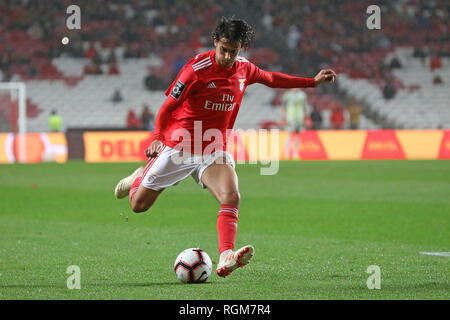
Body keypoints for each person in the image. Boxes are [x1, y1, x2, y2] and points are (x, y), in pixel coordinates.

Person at [114, 17, 336, 278]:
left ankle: (226, 255)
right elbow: (167, 107)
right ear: (215, 42)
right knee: (139, 206)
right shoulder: (196, 70)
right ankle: (140, 176)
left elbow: (272, 78)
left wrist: (311, 82)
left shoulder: (244, 68)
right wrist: (157, 137)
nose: (228, 56)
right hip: (180, 146)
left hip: (213, 149)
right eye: (224, 49)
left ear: (241, 48)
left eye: (234, 50)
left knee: (231, 196)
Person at [281, 88, 307, 159]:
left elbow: (304, 107)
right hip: (289, 117)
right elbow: (283, 107)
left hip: (299, 117)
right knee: (288, 135)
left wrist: (306, 117)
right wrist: (283, 118)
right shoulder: (287, 95)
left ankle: (296, 154)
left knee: (297, 136)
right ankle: (286, 154)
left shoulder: (302, 95)